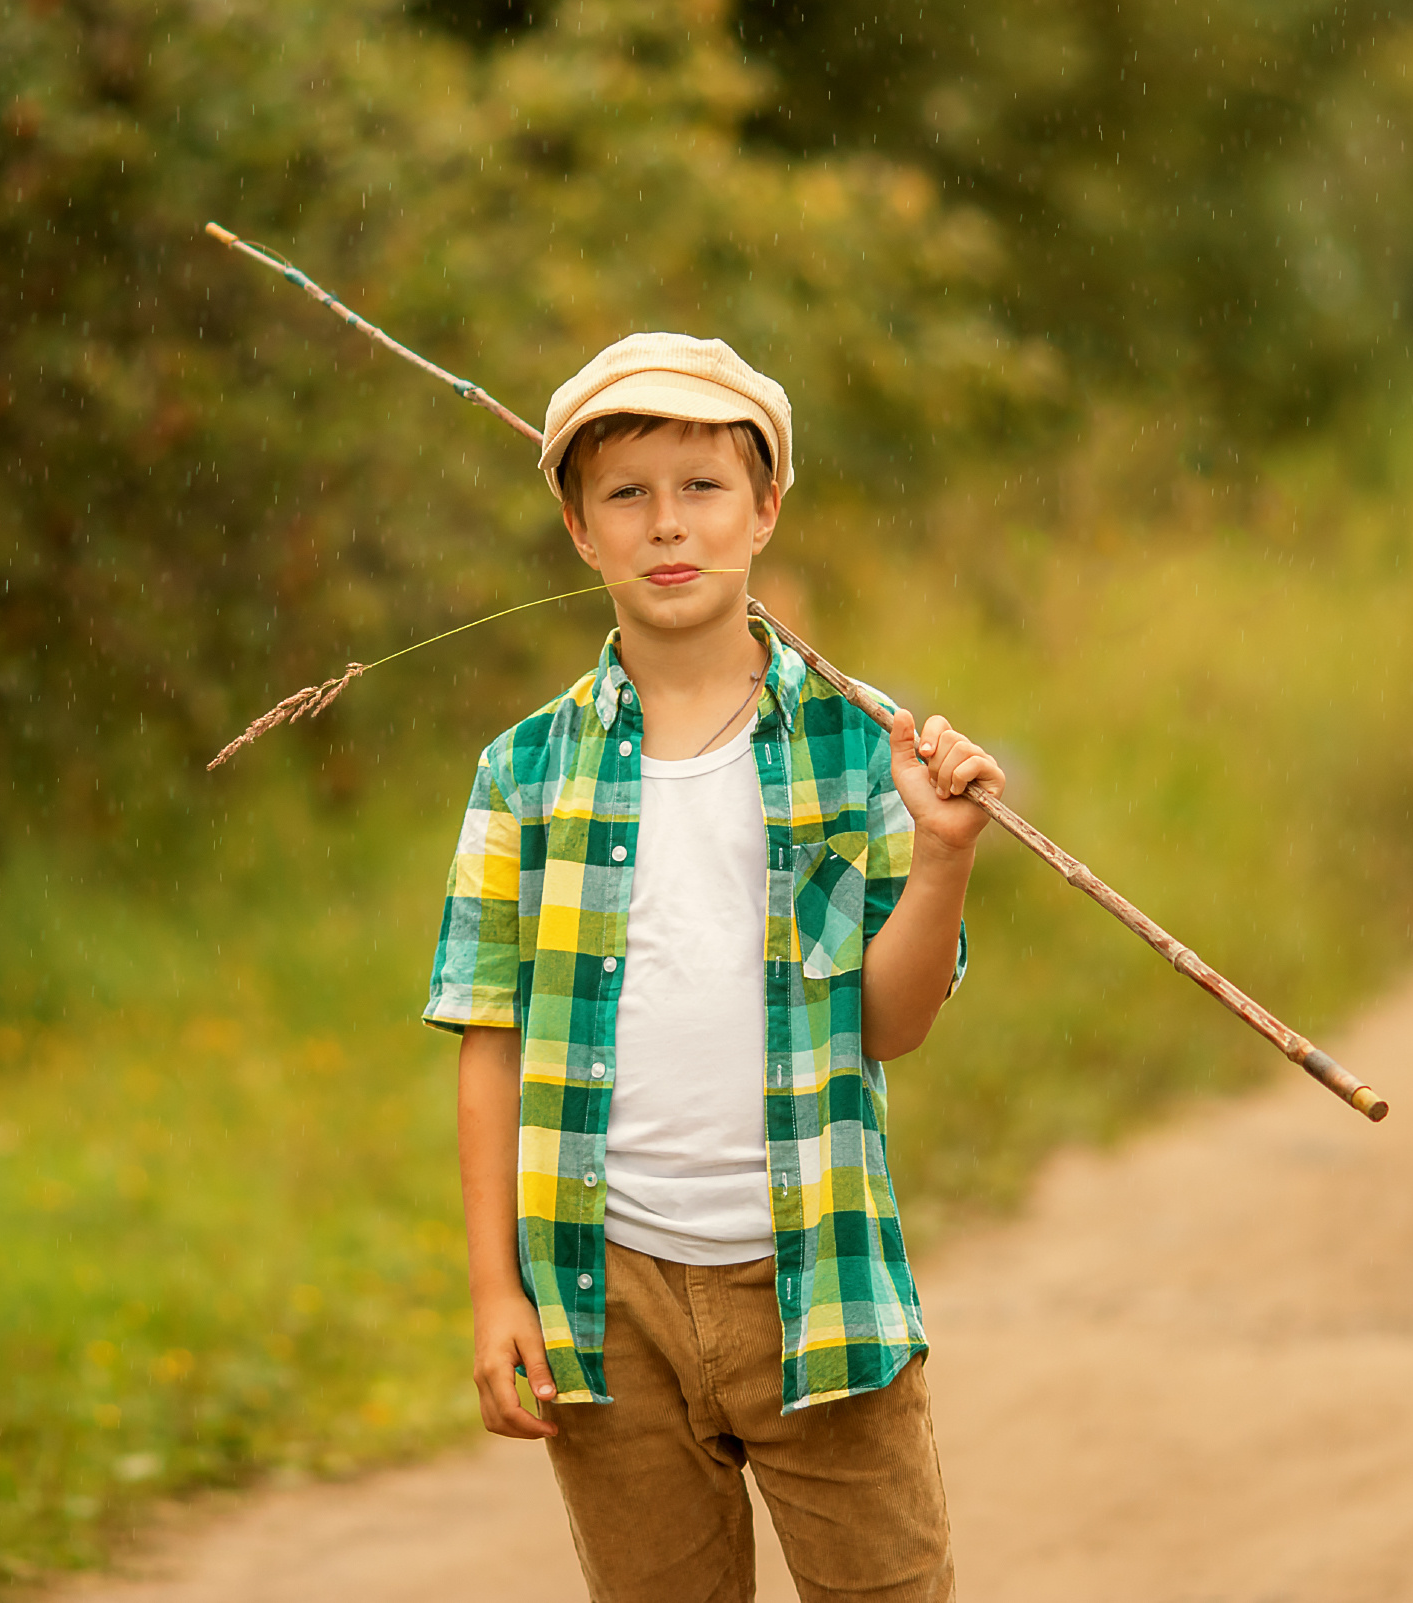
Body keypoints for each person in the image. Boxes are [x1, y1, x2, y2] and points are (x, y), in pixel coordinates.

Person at [423, 333, 1005, 1601]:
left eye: (701, 488)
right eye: (625, 493)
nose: (665, 526)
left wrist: (945, 851)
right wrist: (493, 1295)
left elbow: (890, 1024)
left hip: (817, 1282)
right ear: (579, 530)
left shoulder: (858, 751)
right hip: (604, 1294)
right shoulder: (523, 771)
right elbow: (492, 1039)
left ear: (765, 509)